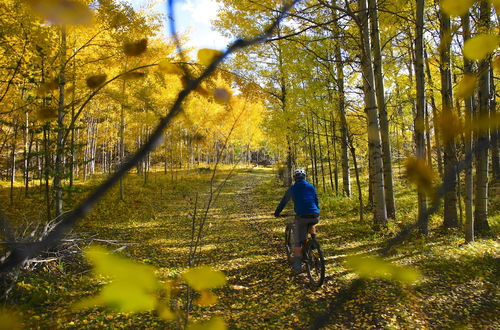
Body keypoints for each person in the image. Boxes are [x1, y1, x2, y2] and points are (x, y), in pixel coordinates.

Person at [274, 168, 319, 273]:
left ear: (294, 178)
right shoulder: (311, 186)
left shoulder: (292, 188)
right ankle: (313, 241)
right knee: (311, 222)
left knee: (298, 241)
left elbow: (283, 202)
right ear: (305, 177)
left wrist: (277, 213)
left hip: (301, 217)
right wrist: (314, 210)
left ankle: (298, 265)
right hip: (315, 215)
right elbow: (316, 200)